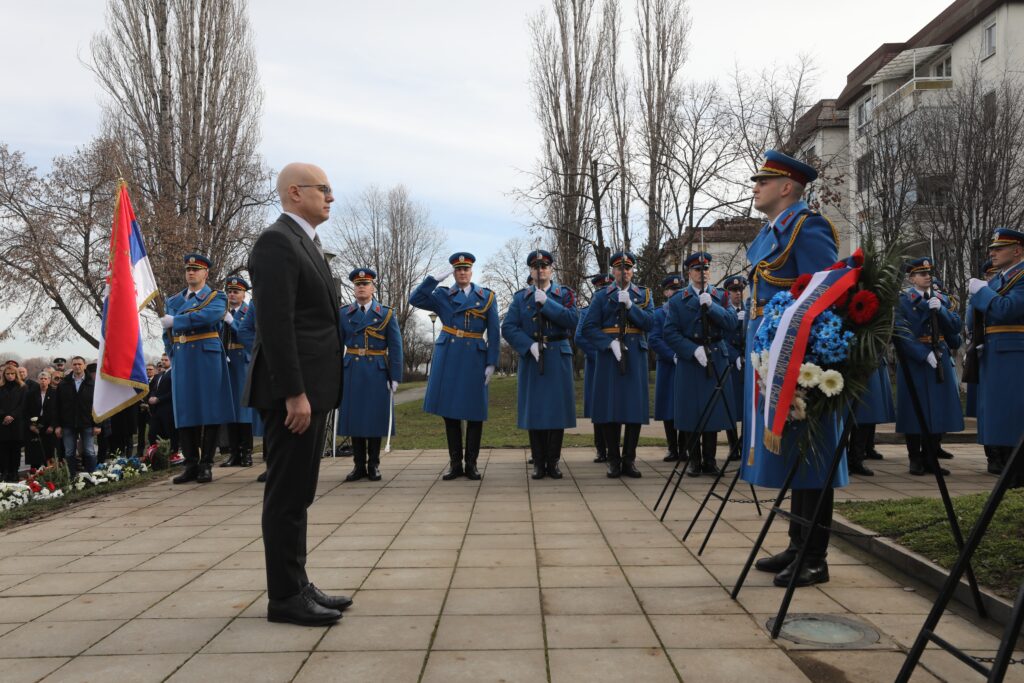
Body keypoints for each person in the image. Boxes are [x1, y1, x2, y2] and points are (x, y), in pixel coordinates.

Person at [244, 162, 349, 627]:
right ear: (293, 192)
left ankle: (297, 583)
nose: (330, 197)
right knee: (286, 496)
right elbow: (276, 325)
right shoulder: (276, 242)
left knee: (299, 494)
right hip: (294, 395)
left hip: (313, 389)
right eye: (323, 189)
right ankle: (284, 597)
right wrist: (293, 394)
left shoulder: (305, 242)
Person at [740, 150, 845, 588]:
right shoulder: (774, 231)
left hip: (800, 359)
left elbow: (826, 294)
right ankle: (796, 542)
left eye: (763, 181)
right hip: (772, 351)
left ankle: (815, 556)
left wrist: (812, 362)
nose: (755, 187)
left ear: (787, 187)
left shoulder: (808, 227)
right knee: (791, 451)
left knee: (812, 453)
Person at [410, 252, 499, 481]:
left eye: (466, 269)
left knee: (475, 413)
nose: (462, 273)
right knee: (449, 413)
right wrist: (432, 280)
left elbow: (495, 333)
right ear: (454, 272)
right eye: (458, 269)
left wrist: (491, 362)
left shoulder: (486, 297)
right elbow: (415, 299)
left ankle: (471, 464)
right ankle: (455, 464)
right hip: (449, 355)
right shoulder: (442, 295)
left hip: (475, 358)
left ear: (471, 271)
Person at [501, 249, 578, 479]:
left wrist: (547, 304)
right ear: (531, 271)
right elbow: (509, 327)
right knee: (534, 411)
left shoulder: (564, 294)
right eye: (536, 267)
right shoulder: (520, 298)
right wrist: (528, 346)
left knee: (556, 411)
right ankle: (539, 462)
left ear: (551, 269)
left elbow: (573, 320)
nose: (540, 270)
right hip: (532, 356)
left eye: (544, 266)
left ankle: (553, 462)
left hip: (557, 356)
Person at [160, 253, 236, 484]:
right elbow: (167, 334)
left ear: (206, 273)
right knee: (186, 411)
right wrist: (172, 354)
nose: (191, 272)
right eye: (188, 269)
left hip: (207, 355)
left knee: (210, 410)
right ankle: (191, 463)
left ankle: (206, 465)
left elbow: (209, 315)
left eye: (196, 269)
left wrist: (178, 321)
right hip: (183, 356)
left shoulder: (217, 296)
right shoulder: (173, 300)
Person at [580, 251, 656, 478]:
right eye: (620, 268)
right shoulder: (602, 296)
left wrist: (632, 307)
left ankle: (629, 460)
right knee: (609, 408)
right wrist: (608, 343)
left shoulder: (644, 295)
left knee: (633, 409)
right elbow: (589, 328)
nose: (625, 272)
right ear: (612, 271)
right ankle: (613, 460)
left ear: (633, 271)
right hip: (610, 356)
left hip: (634, 355)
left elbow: (651, 323)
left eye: (628, 268)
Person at [664, 253, 739, 477]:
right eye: (697, 269)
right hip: (692, 359)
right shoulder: (678, 299)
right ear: (689, 273)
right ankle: (694, 461)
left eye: (706, 269)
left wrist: (712, 307)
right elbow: (670, 332)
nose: (702, 273)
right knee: (691, 412)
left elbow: (732, 323)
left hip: (716, 356)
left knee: (714, 411)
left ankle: (710, 460)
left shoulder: (721, 297)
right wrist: (691, 350)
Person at [894, 258, 962, 476]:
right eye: (921, 273)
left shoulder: (940, 298)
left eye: (928, 273)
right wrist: (923, 355)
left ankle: (931, 457)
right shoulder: (903, 300)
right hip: (915, 360)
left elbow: (954, 327)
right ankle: (915, 458)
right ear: (912, 278)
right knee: (914, 410)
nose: (926, 276)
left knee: (937, 410)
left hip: (939, 354)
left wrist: (941, 309)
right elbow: (901, 332)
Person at [968, 227, 1024, 486]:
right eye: (992, 248)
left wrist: (981, 292)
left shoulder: (1021, 276)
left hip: (1013, 354)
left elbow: (1007, 310)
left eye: (999, 248)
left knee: (1012, 419)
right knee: (1000, 422)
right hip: (995, 352)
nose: (992, 252)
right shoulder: (999, 279)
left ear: (1017, 250)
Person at [338, 268, 403, 482]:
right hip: (353, 369)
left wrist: (395, 376)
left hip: (377, 370)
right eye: (358, 284)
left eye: (365, 284)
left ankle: (373, 464)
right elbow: (336, 346)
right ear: (354, 289)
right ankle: (358, 466)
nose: (361, 287)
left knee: (375, 418)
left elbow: (395, 347)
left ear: (373, 287)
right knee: (355, 418)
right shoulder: (344, 313)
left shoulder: (386, 313)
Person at [965, 258, 1001, 473]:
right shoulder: (983, 293)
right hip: (986, 348)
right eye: (990, 274)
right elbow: (971, 321)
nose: (993, 277)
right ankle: (992, 456)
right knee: (988, 406)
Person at [575, 274, 614, 464]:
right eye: (600, 288)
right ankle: (601, 449)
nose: (603, 290)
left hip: (614, 363)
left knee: (614, 404)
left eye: (606, 287)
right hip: (596, 363)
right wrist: (599, 353)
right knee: (599, 406)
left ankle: (614, 448)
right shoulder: (586, 311)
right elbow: (580, 337)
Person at [220, 276, 255, 469]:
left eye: (236, 291)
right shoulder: (221, 311)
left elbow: (246, 332)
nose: (232, 294)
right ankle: (233, 452)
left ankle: (247, 452)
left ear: (243, 294)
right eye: (230, 291)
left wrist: (232, 321)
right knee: (230, 409)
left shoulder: (248, 312)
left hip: (242, 361)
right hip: (227, 361)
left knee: (244, 411)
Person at [649, 273, 683, 463]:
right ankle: (673, 448)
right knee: (669, 408)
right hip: (668, 366)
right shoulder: (659, 314)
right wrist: (673, 355)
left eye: (679, 289)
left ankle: (685, 447)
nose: (675, 293)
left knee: (683, 406)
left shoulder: (687, 310)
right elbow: (654, 339)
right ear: (665, 292)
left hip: (685, 364)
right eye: (672, 290)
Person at [54, 356, 99, 475]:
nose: (77, 366)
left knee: (89, 450)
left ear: (84, 365)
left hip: (87, 422)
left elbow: (98, 405)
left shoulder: (93, 384)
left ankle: (92, 475)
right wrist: (58, 425)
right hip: (68, 423)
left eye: (79, 364)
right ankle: (71, 478)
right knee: (69, 452)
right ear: (71, 366)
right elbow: (58, 406)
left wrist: (97, 424)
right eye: (74, 364)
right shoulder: (64, 384)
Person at [722, 275, 748, 461]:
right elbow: (722, 338)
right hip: (732, 365)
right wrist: (735, 357)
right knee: (731, 407)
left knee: (747, 407)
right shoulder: (723, 312)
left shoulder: (750, 311)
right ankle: (733, 446)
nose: (737, 294)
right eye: (733, 291)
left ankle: (745, 444)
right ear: (728, 293)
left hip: (748, 363)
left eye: (740, 290)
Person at [24, 370, 57, 468]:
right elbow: (26, 410)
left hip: (48, 426)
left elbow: (57, 411)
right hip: (35, 426)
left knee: (49, 451)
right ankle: (34, 473)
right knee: (35, 451)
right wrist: (30, 425)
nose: (43, 381)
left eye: (45, 379)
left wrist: (52, 425)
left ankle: (49, 472)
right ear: (38, 380)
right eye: (41, 379)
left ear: (49, 380)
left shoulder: (55, 393)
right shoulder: (31, 393)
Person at [0, 362, 26, 482]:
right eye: (7, 374)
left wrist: (12, 415)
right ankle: (5, 472)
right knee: (4, 449)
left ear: (16, 375)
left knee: (15, 449)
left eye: (12, 374)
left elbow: (23, 404)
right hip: (3, 422)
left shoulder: (22, 387)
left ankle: (14, 472)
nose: (10, 376)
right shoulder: (0, 387)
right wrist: (5, 415)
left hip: (17, 422)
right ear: (4, 375)